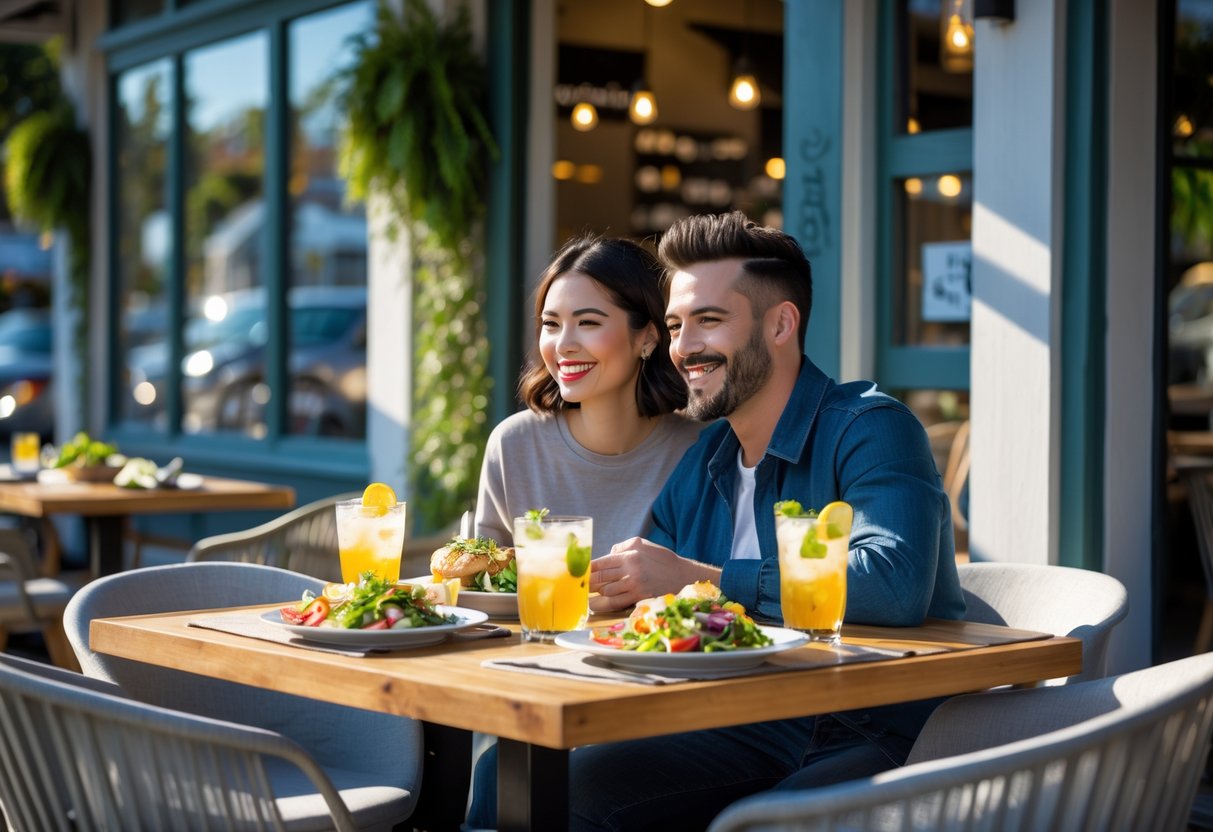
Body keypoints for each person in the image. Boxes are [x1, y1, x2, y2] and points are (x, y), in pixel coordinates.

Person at [558, 211, 967, 830]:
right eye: (674, 324)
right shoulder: (704, 464)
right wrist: (615, 590)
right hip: (740, 723)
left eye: (709, 320)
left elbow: (894, 581)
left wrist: (705, 578)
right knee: (541, 784)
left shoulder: (870, 427)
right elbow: (659, 613)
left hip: (873, 728)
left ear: (781, 323)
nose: (684, 346)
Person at [473, 234, 703, 552]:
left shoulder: (702, 451)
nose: (564, 344)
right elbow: (483, 586)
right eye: (551, 324)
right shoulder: (514, 446)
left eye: (588, 322)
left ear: (647, 338)